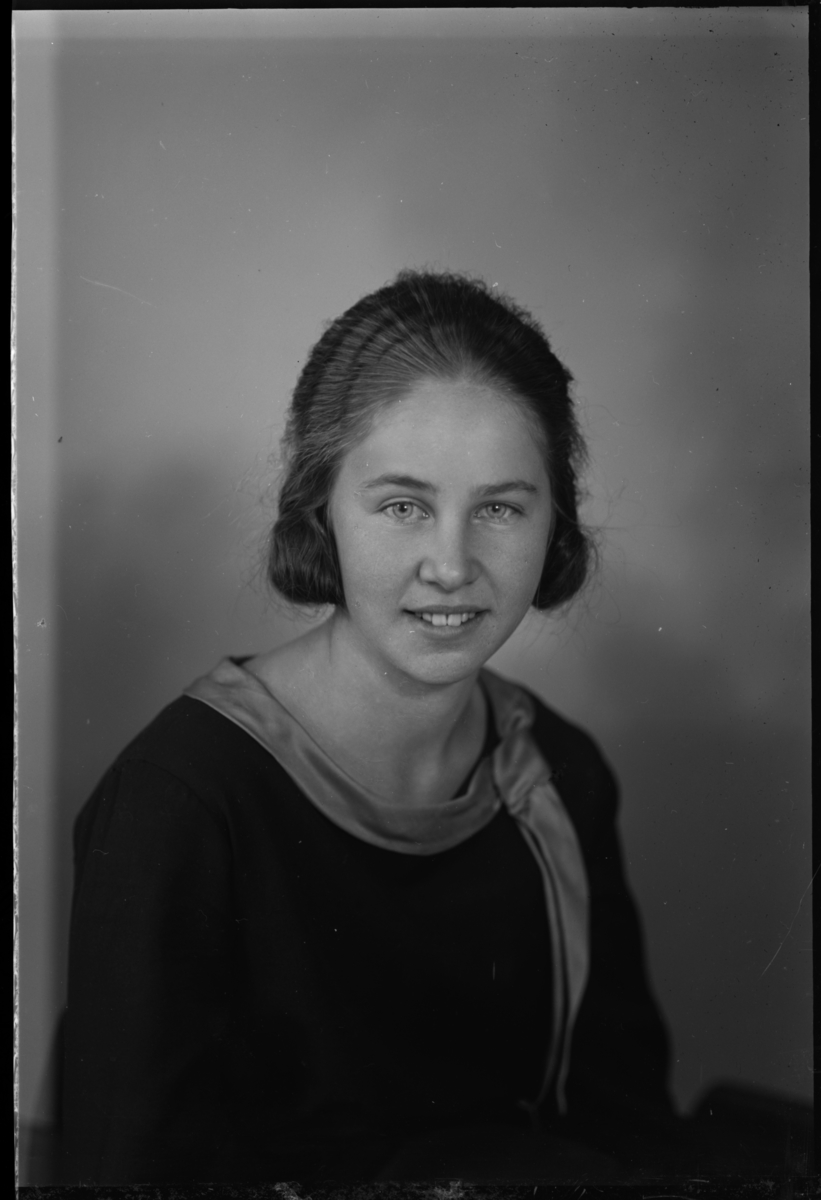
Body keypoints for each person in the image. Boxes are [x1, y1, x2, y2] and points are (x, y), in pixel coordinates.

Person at [59, 270, 679, 1184]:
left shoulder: (557, 773)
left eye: (500, 508)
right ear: (321, 511)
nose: (450, 565)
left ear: (555, 524)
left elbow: (624, 1131)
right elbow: (120, 1164)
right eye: (401, 506)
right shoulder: (181, 802)